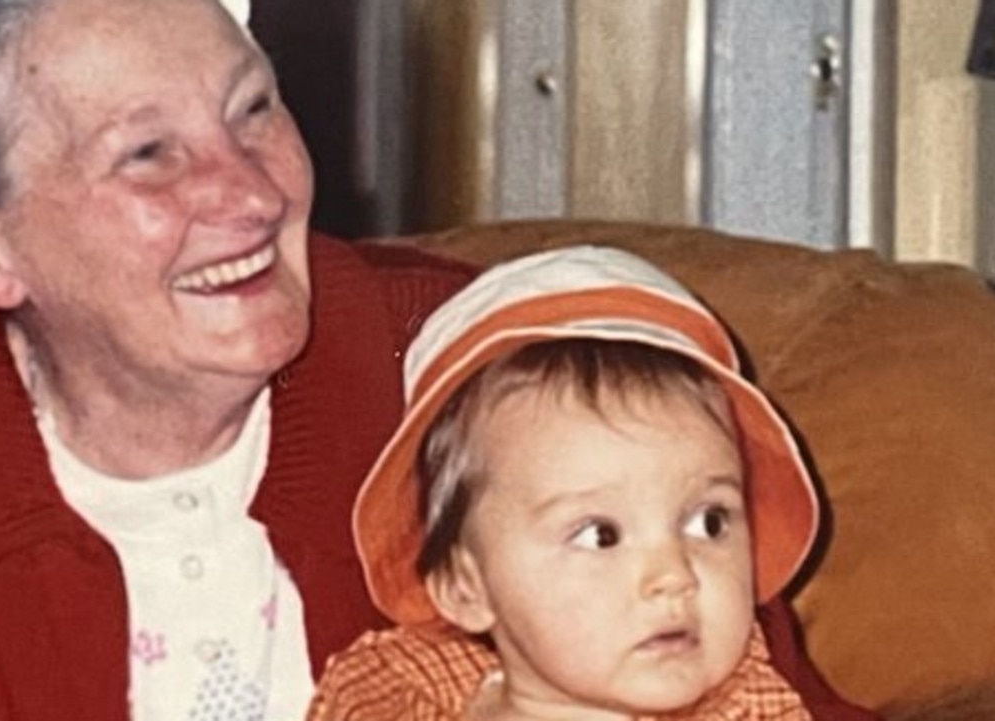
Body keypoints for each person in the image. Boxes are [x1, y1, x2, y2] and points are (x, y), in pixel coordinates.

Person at [0, 0, 872, 719]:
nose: (252, 191)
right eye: (148, 154)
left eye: (253, 109)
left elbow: (752, 684)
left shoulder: (492, 376)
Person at [308, 246, 824, 719]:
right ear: (468, 586)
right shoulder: (394, 696)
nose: (673, 575)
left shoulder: (753, 708)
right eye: (600, 534)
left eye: (709, 522)